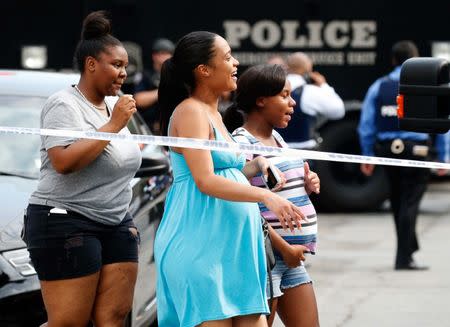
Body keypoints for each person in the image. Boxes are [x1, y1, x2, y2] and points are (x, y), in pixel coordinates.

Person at [155, 31, 306, 327]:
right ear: (203, 70)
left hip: (235, 252)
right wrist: (266, 196)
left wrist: (257, 164)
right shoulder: (190, 112)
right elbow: (205, 180)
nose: (235, 62)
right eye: (227, 57)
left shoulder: (214, 114)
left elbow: (226, 170)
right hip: (202, 246)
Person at [23, 11, 141, 326]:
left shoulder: (110, 108)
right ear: (91, 64)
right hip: (65, 221)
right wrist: (112, 127)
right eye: (116, 65)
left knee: (112, 318)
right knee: (69, 322)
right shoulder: (64, 104)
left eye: (125, 67)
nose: (123, 74)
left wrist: (115, 125)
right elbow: (63, 162)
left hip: (116, 222)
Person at [225, 64, 320, 327]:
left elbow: (286, 186)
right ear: (261, 100)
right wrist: (285, 248)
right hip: (264, 259)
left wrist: (308, 182)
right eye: (285, 95)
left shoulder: (277, 138)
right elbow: (244, 206)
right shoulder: (241, 142)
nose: (292, 103)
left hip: (290, 260)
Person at [358, 40, 435, 270]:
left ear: (393, 60)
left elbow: (366, 125)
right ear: (415, 59)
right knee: (410, 203)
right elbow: (441, 121)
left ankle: (408, 251)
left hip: (387, 151)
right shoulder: (427, 85)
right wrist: (444, 155)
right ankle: (404, 258)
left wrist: (367, 154)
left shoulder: (379, 86)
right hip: (418, 151)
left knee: (398, 201)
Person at [277, 52, 345, 149]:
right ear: (308, 68)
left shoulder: (273, 87)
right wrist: (324, 86)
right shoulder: (310, 91)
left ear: (287, 66)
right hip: (304, 155)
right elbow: (338, 111)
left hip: (276, 151)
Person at [134, 37, 175, 133]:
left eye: (167, 53)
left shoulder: (176, 76)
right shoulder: (145, 75)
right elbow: (138, 100)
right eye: (161, 53)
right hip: (148, 127)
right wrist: (163, 91)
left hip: (171, 126)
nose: (164, 57)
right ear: (154, 56)